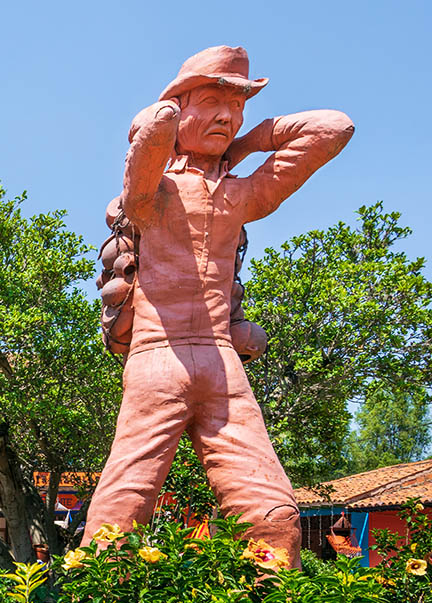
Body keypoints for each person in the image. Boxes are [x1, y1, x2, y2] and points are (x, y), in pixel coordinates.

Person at [82, 46, 354, 565]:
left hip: (222, 362)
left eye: (238, 106)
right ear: (182, 107)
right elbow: (150, 136)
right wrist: (170, 115)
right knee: (122, 510)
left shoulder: (240, 195)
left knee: (274, 517)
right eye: (212, 101)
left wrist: (248, 143)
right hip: (157, 357)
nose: (228, 116)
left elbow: (333, 128)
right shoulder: (149, 195)